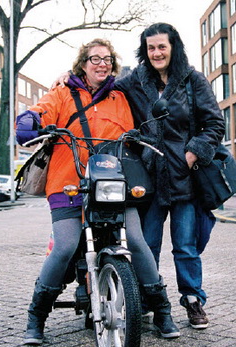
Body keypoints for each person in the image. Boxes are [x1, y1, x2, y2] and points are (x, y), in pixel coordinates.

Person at [53, 23, 225, 329]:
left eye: (162, 47)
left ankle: (193, 300)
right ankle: (148, 300)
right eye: (151, 48)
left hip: (186, 175)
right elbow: (100, 85)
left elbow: (214, 123)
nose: (157, 53)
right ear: (144, 51)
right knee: (147, 244)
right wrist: (70, 79)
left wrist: (192, 152)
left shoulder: (192, 80)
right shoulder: (134, 81)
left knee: (186, 246)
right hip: (149, 177)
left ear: (174, 48)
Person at [15, 38, 180, 345]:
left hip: (112, 182)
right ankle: (36, 317)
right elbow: (41, 111)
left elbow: (146, 105)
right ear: (83, 64)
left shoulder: (121, 95)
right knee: (64, 246)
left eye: (107, 59)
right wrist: (30, 121)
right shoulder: (62, 92)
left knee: (136, 241)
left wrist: (138, 133)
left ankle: (162, 311)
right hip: (69, 181)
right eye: (95, 59)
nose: (102, 64)